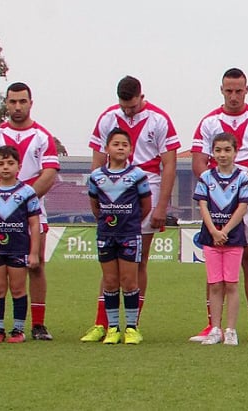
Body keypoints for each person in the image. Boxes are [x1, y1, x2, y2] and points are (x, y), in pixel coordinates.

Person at [82, 76, 178, 344]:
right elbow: (97, 162)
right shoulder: (107, 118)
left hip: (147, 184)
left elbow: (169, 164)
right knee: (109, 264)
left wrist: (161, 206)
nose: (128, 111)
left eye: (133, 106)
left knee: (138, 259)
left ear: (141, 96)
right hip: (111, 190)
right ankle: (103, 323)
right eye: (124, 106)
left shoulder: (159, 119)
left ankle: (132, 325)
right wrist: (99, 194)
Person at [189, 68, 248, 344]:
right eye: (229, 91)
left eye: (239, 91)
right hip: (216, 199)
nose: (234, 96)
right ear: (221, 90)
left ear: (246, 90)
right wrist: (219, 186)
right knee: (214, 259)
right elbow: (198, 163)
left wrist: (238, 184)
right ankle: (212, 326)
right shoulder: (208, 122)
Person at [0, 82, 59, 341]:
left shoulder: (43, 136)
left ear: (30, 103)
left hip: (33, 211)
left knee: (36, 265)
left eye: (22, 101)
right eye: (12, 102)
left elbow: (49, 174)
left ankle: (37, 324)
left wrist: (23, 200)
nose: (17, 106)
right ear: (6, 104)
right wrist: (4, 202)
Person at [86, 129, 152, 345]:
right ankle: (112, 328)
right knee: (111, 281)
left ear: (131, 149)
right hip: (106, 234)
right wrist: (106, 221)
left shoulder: (138, 175)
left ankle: (131, 328)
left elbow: (146, 206)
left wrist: (130, 223)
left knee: (129, 280)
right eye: (116, 144)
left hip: (130, 234)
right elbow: (95, 206)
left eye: (125, 144)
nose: (121, 147)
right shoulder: (96, 177)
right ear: (107, 149)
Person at [0, 146, 43, 343]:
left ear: (19, 167)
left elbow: (34, 223)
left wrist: (34, 252)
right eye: (1, 164)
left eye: (10, 163)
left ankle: (18, 330)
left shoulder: (27, 192)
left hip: (18, 249)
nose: (5, 168)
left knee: (18, 288)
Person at [194, 134, 248, 346]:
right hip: (211, 238)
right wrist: (213, 231)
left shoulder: (243, 177)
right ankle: (215, 329)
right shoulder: (206, 178)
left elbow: (243, 206)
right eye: (218, 150)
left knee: (231, 284)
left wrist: (225, 231)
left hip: (233, 238)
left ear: (235, 152)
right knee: (215, 284)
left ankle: (231, 330)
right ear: (212, 152)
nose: (222, 154)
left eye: (227, 150)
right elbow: (202, 205)